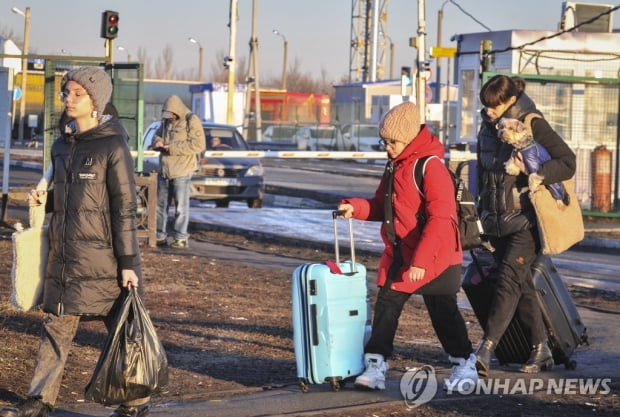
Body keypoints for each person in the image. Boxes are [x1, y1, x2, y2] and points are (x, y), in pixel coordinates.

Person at [0, 67, 149, 417]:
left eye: (77, 93)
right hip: (66, 255)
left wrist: (128, 262)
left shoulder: (113, 145)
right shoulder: (62, 146)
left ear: (96, 101)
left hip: (106, 260)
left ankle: (136, 402)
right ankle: (40, 400)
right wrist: (46, 201)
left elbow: (124, 207)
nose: (69, 98)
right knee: (55, 325)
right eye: (66, 92)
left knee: (123, 330)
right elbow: (74, 199)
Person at [338, 101, 478, 391]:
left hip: (436, 258)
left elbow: (441, 219)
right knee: (387, 306)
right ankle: (375, 364)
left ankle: (465, 365)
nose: (388, 147)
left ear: (411, 137)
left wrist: (422, 261)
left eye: (393, 141)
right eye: (384, 142)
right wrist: (356, 207)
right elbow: (381, 206)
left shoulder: (431, 168)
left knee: (444, 313)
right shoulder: (394, 166)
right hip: (403, 255)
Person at [473, 75, 576, 376]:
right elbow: (484, 172)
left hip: (526, 219)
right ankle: (540, 348)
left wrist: (534, 172)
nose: (489, 112)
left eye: (494, 107)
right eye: (486, 107)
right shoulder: (487, 128)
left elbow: (567, 161)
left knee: (507, 280)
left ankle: (485, 348)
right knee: (522, 284)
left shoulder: (533, 123)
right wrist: (480, 213)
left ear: (511, 101)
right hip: (496, 218)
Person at [153, 95, 206, 249]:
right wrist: (157, 142)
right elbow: (157, 134)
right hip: (165, 170)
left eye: (172, 113)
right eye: (168, 114)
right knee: (160, 206)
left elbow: (198, 145)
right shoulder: (166, 122)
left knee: (181, 207)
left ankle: (180, 237)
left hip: (182, 170)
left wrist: (173, 147)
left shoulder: (191, 120)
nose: (170, 116)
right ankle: (159, 235)